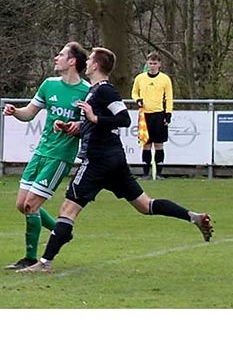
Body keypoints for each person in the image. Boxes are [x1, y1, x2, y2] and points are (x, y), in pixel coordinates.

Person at [21, 47, 213, 274]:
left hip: (97, 160)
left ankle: (44, 263)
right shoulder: (94, 91)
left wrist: (93, 117)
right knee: (146, 205)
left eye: (90, 59)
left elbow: (122, 118)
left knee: (67, 210)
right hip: (113, 160)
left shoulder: (105, 90)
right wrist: (75, 128)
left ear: (95, 66)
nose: (87, 62)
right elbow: (97, 126)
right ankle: (194, 217)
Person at [2, 42, 90, 270]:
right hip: (41, 151)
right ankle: (61, 230)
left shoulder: (86, 91)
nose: (56, 58)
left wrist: (75, 126)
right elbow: (29, 113)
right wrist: (15, 112)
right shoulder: (49, 85)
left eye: (60, 55)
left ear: (72, 61)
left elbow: (89, 124)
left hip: (60, 156)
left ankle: (30, 258)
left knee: (31, 205)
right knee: (22, 205)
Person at [131, 52, 174, 179]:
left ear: (159, 64)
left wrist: (168, 113)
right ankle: (145, 174)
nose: (152, 66)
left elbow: (169, 97)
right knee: (146, 144)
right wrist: (137, 100)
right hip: (145, 115)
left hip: (159, 114)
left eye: (155, 63)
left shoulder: (165, 79)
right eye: (150, 63)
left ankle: (159, 173)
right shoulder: (140, 78)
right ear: (147, 64)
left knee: (159, 144)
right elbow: (134, 93)